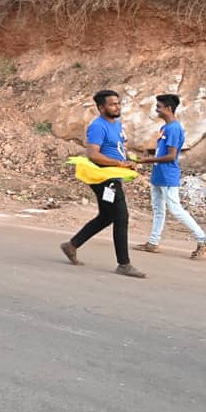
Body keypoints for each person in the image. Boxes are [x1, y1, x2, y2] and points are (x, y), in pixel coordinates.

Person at [60, 90, 146, 278]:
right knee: (121, 218)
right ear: (101, 107)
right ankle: (124, 264)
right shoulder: (98, 127)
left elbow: (118, 148)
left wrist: (128, 161)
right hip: (104, 179)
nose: (117, 107)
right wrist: (119, 163)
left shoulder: (116, 124)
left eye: (118, 103)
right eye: (112, 104)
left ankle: (72, 245)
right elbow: (93, 154)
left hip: (114, 175)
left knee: (107, 216)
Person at [133, 94, 206, 259]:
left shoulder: (174, 129)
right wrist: (151, 152)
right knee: (158, 209)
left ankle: (203, 239)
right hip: (158, 174)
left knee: (175, 209)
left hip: (168, 175)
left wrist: (146, 160)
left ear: (168, 108)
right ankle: (153, 242)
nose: (157, 110)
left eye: (159, 107)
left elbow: (171, 156)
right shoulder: (165, 128)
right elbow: (163, 151)